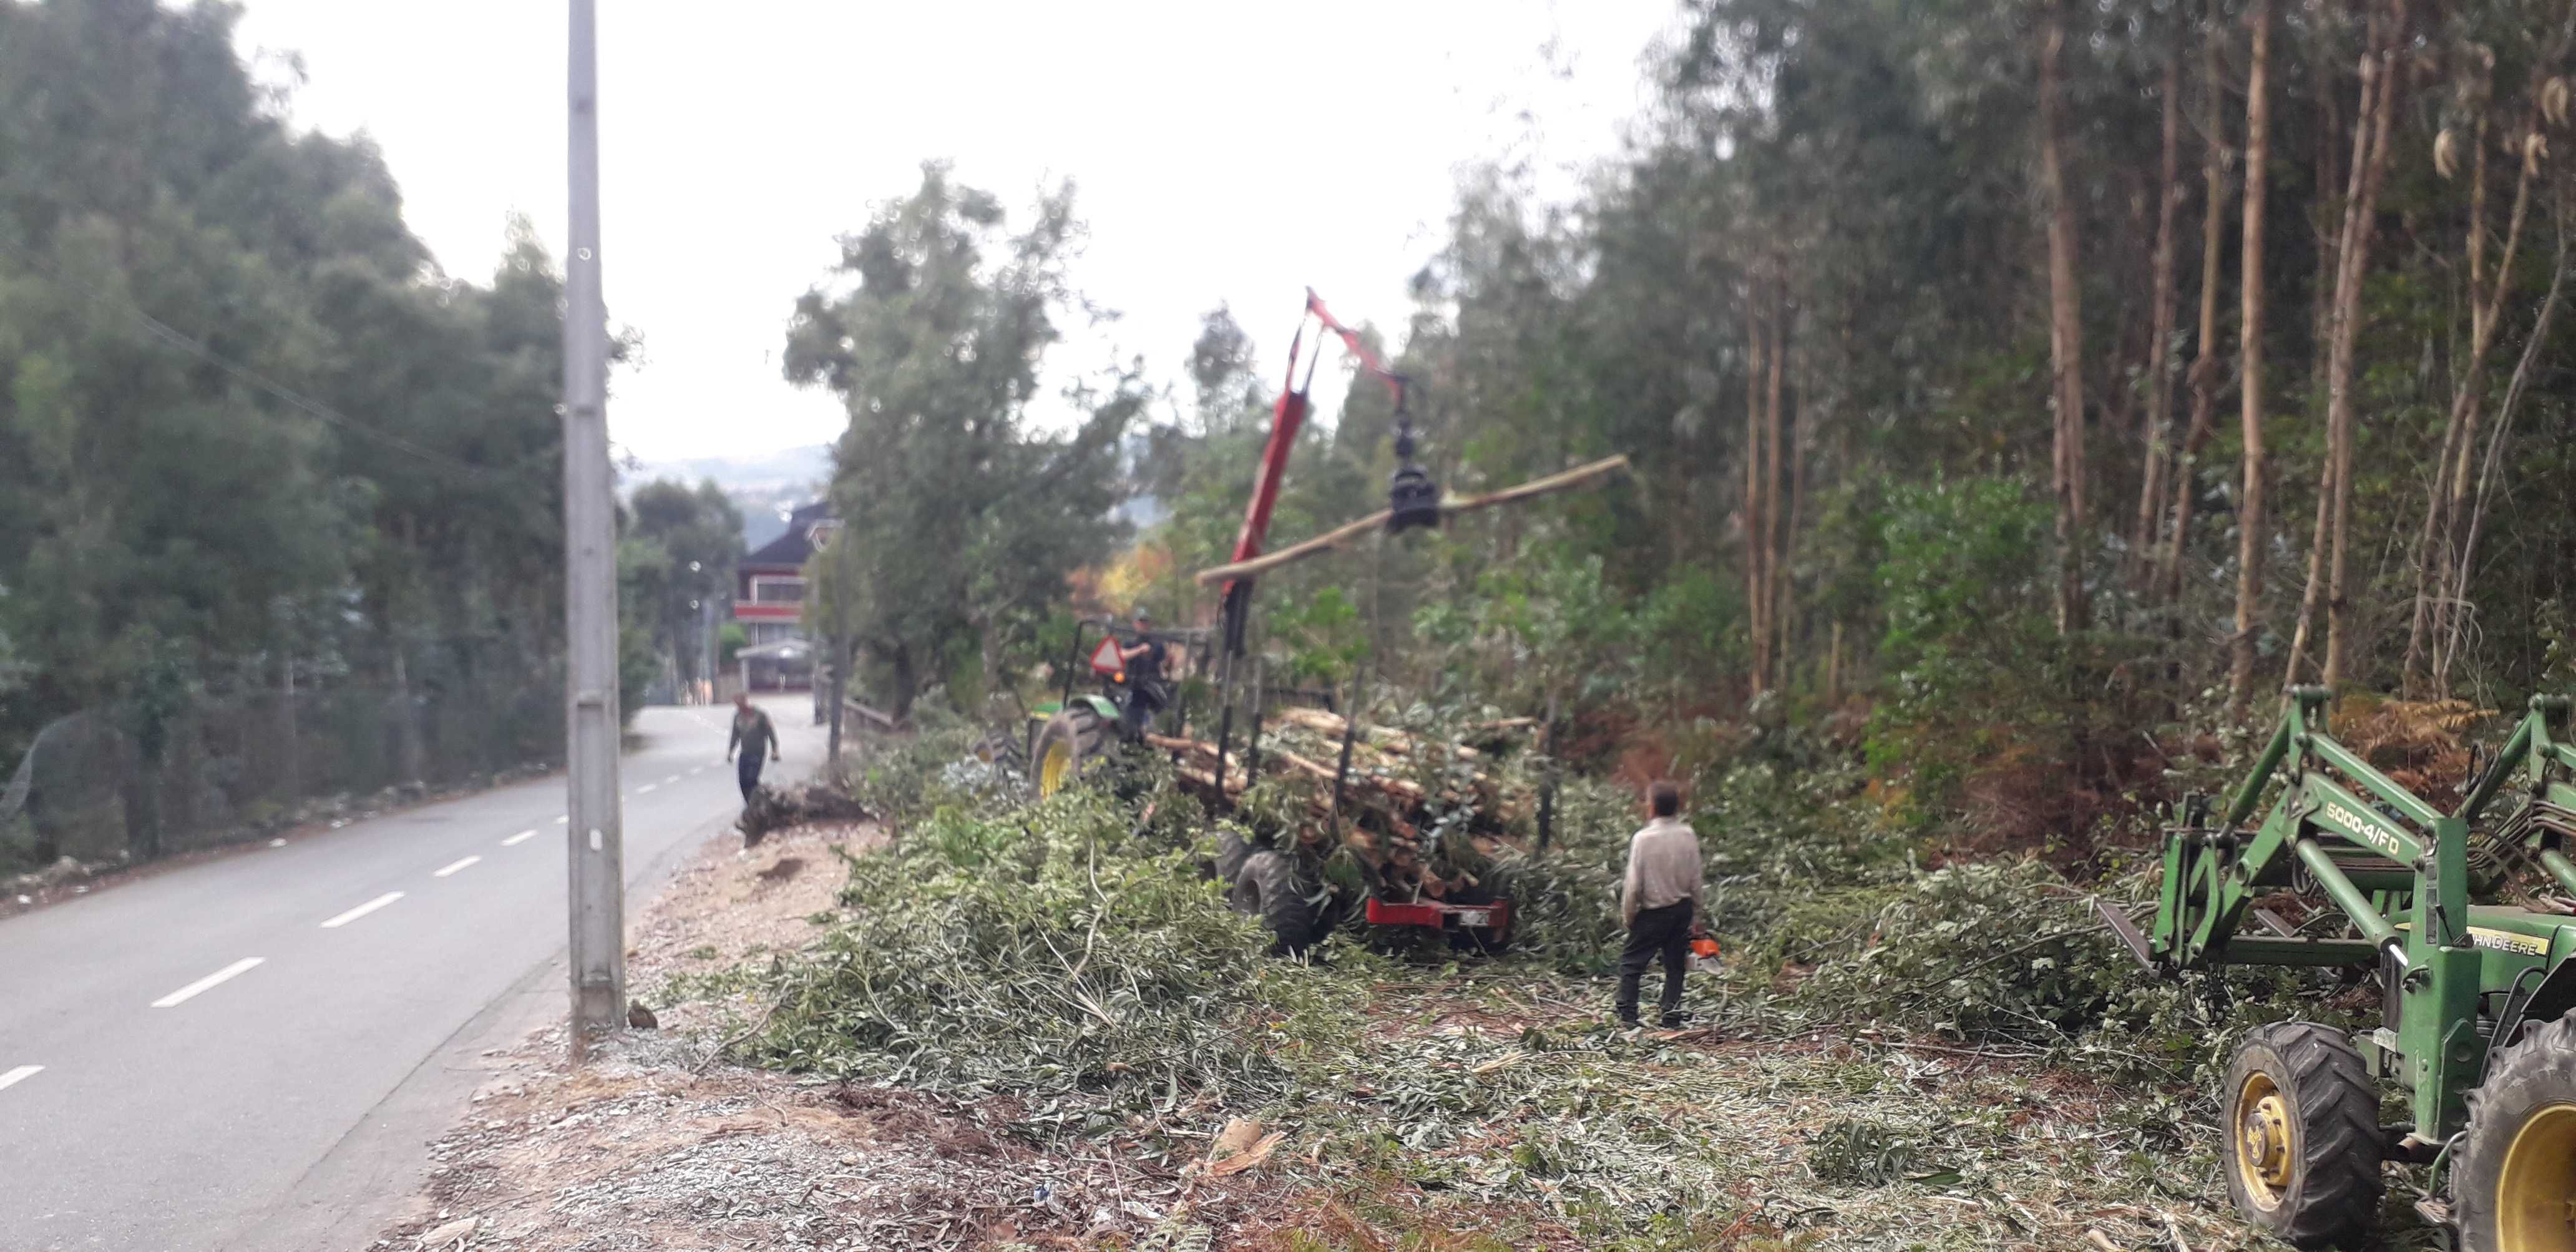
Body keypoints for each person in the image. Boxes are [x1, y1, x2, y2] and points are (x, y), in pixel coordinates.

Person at [1617, 780, 1702, 1028]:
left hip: (1653, 912)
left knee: (1632, 963)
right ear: (1676, 808)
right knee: (1675, 964)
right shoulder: (1688, 835)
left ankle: (1628, 1015)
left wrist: (1629, 916)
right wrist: (1698, 916)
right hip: (1681, 910)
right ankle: (1671, 1013)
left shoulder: (1643, 839)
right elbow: (1696, 879)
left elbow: (1633, 885)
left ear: (1651, 807)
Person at [1116, 606, 1169, 738]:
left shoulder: (1157, 643)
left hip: (1151, 686)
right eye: (1141, 622)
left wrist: (1167, 662)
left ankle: (1150, 735)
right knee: (1128, 713)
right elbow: (1122, 655)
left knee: (1158, 711)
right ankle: (1129, 735)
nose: (1144, 625)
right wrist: (1139, 650)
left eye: (1146, 622)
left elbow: (1164, 661)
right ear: (1135, 624)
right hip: (1133, 684)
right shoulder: (1130, 642)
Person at [726, 693, 781, 803]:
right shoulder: (737, 717)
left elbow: (771, 733)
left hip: (758, 752)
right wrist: (730, 752)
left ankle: (759, 801)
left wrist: (775, 750)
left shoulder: (760, 715)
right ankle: (750, 804)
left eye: (740, 701)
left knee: (752, 779)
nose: (738, 705)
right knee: (743, 781)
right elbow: (735, 735)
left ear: (745, 700)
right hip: (745, 752)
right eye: (736, 703)